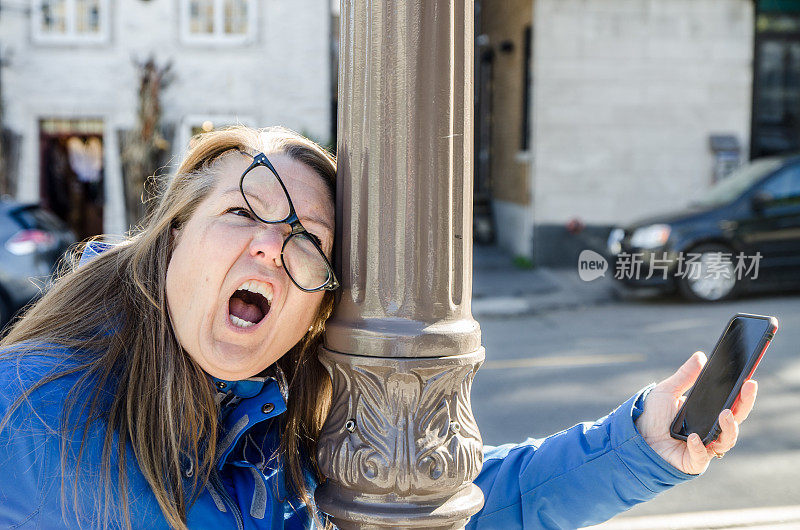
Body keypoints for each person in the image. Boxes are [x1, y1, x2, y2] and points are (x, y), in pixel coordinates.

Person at [0, 126, 758, 529]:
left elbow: (449, 503)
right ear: (170, 243)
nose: (272, 244)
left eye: (310, 241)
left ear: (312, 317)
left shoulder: (291, 451)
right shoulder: (25, 406)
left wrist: (642, 446)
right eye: (241, 212)